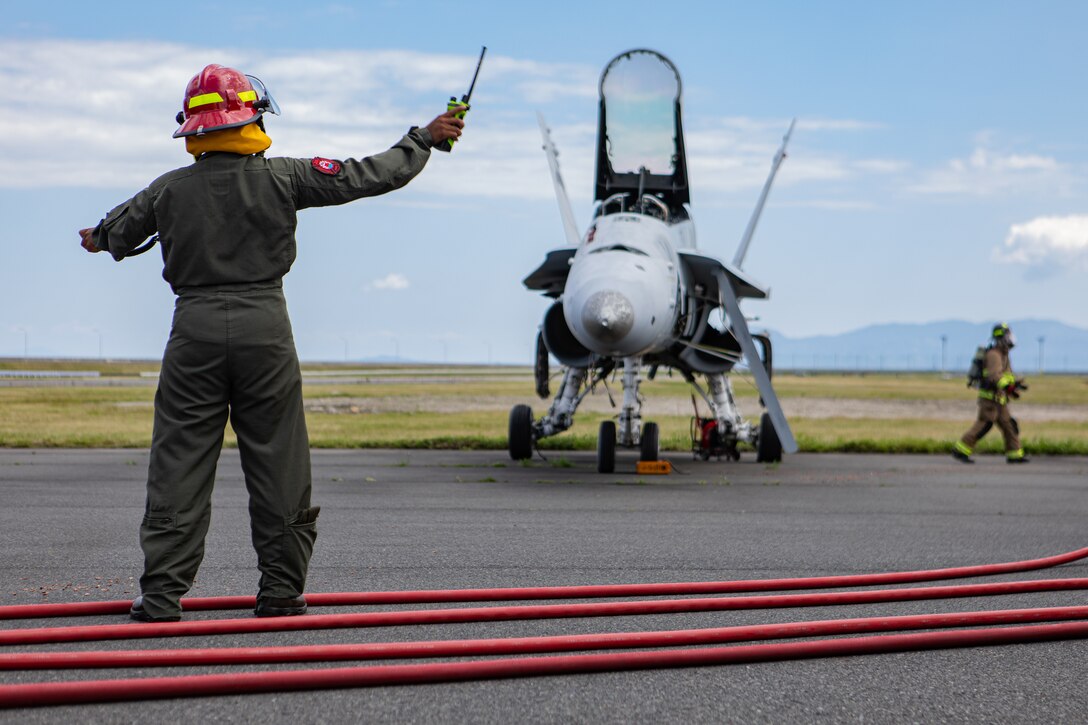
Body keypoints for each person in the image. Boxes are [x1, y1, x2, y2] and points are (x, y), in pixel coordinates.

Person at [79, 64, 466, 622]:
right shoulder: (286, 177)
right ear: (251, 116)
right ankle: (282, 592)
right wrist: (423, 138)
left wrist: (97, 236)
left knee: (179, 461)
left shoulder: (166, 190)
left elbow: (110, 235)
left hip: (193, 332)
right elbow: (369, 175)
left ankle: (162, 595)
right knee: (280, 460)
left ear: (193, 126)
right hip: (266, 330)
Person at [953, 323, 1029, 464]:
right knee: (983, 425)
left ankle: (1015, 455)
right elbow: (994, 376)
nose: (1011, 338)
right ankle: (961, 450)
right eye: (1008, 335)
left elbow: (1006, 376)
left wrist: (1013, 388)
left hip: (1000, 400)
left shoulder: (1003, 354)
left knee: (1009, 426)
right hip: (990, 400)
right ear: (1003, 337)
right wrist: (1009, 388)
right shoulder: (994, 355)